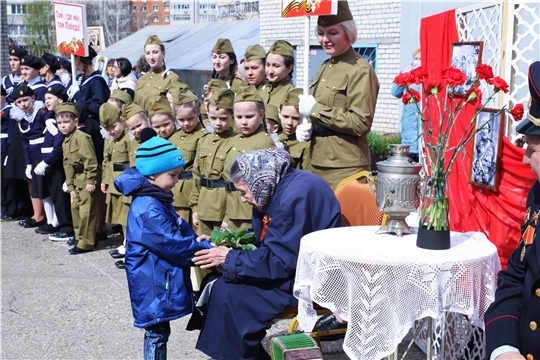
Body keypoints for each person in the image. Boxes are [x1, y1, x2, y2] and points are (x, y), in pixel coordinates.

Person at [192, 147, 342, 360]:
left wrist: (228, 257)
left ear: (257, 181)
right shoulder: (273, 185)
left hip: (308, 276)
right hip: (293, 264)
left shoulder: (292, 197)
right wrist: (231, 242)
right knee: (218, 285)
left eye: (244, 192)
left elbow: (282, 261)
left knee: (231, 296)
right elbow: (273, 238)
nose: (243, 199)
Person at [114, 128, 213, 360]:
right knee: (156, 332)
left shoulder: (155, 196)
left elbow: (176, 231)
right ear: (152, 174)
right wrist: (208, 250)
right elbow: (173, 244)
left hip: (155, 276)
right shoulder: (149, 206)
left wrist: (194, 239)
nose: (177, 181)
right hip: (152, 281)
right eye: (173, 175)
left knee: (159, 330)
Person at [484, 61, 540, 360]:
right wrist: (504, 349)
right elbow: (517, 278)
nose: (526, 157)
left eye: (533, 147)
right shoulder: (538, 195)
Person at [297, 0, 379, 190]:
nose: (325, 39)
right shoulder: (325, 67)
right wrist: (307, 127)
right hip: (316, 160)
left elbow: (360, 122)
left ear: (348, 33)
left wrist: (315, 110)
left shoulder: (360, 69)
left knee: (344, 219)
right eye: (320, 33)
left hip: (344, 165)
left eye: (332, 33)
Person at [222, 85, 275, 232]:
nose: (243, 122)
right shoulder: (235, 139)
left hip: (249, 209)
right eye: (239, 117)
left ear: (261, 115)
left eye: (249, 116)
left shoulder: (264, 142)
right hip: (231, 207)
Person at [190, 89, 237, 236]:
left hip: (223, 205)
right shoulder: (204, 140)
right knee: (202, 245)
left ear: (232, 117)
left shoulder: (235, 141)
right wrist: (195, 206)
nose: (218, 123)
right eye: (213, 118)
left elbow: (235, 184)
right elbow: (196, 175)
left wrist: (229, 217)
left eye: (223, 118)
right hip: (204, 204)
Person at [57, 102, 101, 255]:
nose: (62, 126)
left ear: (75, 122)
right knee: (76, 209)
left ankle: (86, 243)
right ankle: (80, 237)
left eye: (66, 122)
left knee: (87, 212)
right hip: (76, 179)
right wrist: (70, 186)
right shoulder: (67, 140)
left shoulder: (82, 137)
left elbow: (90, 160)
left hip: (86, 177)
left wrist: (91, 180)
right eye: (59, 123)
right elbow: (67, 165)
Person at [11, 85, 48, 229]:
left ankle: (48, 218)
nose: (23, 104)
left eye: (25, 100)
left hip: (44, 152)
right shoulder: (21, 118)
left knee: (45, 186)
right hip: (32, 154)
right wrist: (27, 163)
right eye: (19, 102)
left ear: (33, 98)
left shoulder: (42, 113)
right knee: (33, 185)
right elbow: (24, 142)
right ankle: (37, 214)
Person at [134, 35, 188, 111]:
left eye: (155, 52)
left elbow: (178, 107)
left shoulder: (171, 78)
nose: (151, 57)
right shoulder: (141, 80)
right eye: (147, 53)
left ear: (163, 54)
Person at [391, 48, 421, 162]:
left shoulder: (427, 76)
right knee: (411, 163)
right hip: (409, 128)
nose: (418, 61)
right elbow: (395, 92)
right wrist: (404, 74)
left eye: (420, 59)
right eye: (416, 58)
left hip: (422, 129)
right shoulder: (409, 76)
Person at [278, 88, 311, 170]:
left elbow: (308, 175)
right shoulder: (274, 138)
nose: (289, 122)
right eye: (285, 116)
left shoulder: (306, 144)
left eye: (295, 118)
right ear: (279, 113)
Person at [260, 40, 295, 109]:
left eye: (276, 66)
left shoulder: (291, 94)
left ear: (289, 68)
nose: (270, 71)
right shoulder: (262, 90)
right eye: (267, 65)